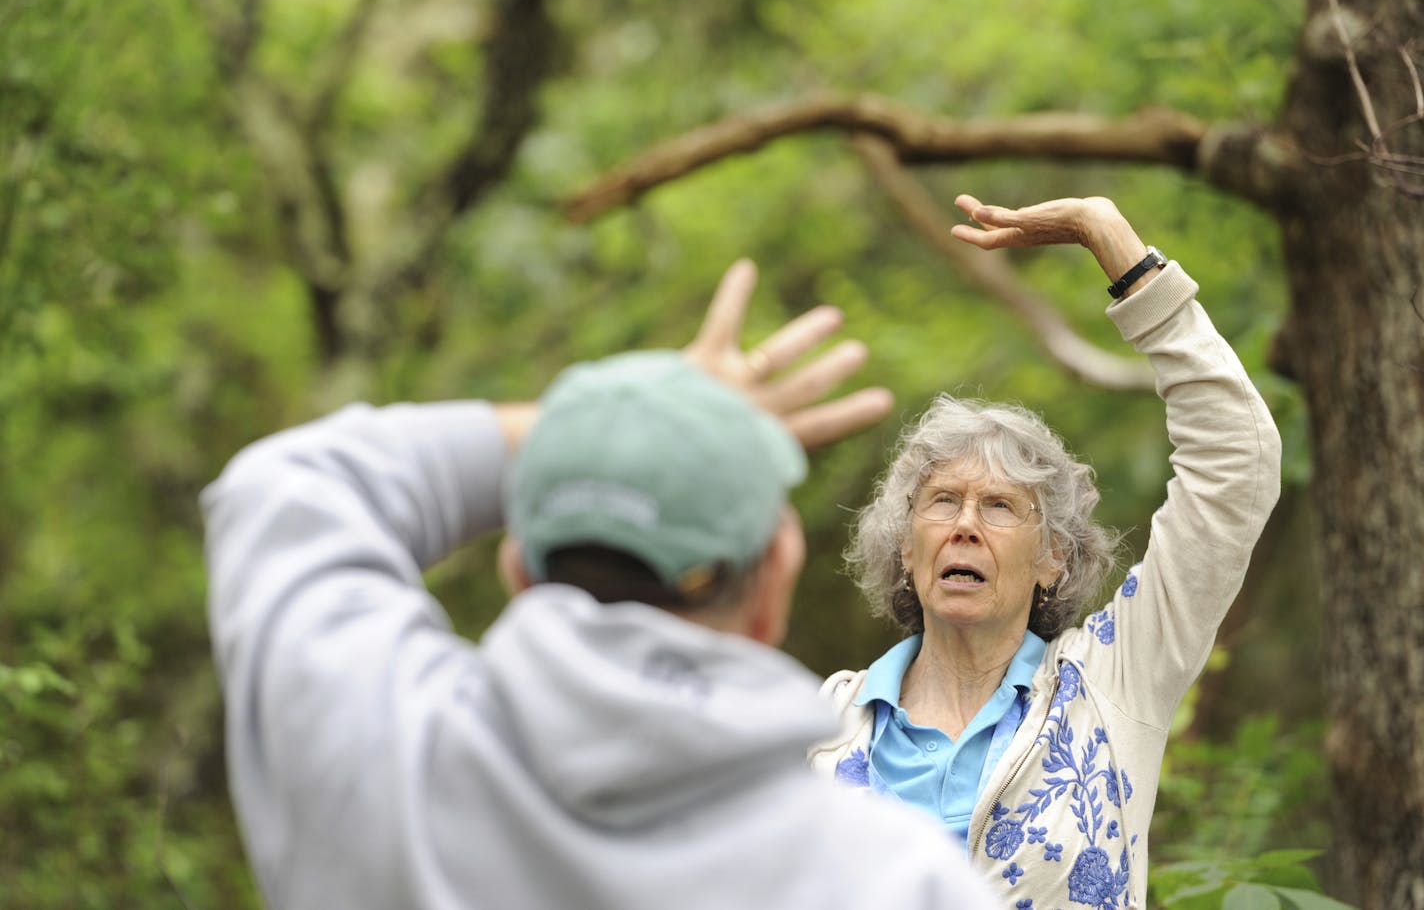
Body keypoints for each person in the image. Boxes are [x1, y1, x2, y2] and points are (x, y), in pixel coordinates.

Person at [201, 260, 1000, 910]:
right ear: (773, 584)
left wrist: (608, 438)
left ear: (518, 570)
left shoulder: (380, 745)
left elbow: (286, 484)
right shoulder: (889, 881)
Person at [808, 194, 1283, 909]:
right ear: (907, 549)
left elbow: (1237, 462)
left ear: (1052, 557)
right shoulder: (820, 728)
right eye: (943, 502)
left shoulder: (1114, 682)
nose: (965, 524)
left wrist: (1110, 235)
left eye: (999, 506)